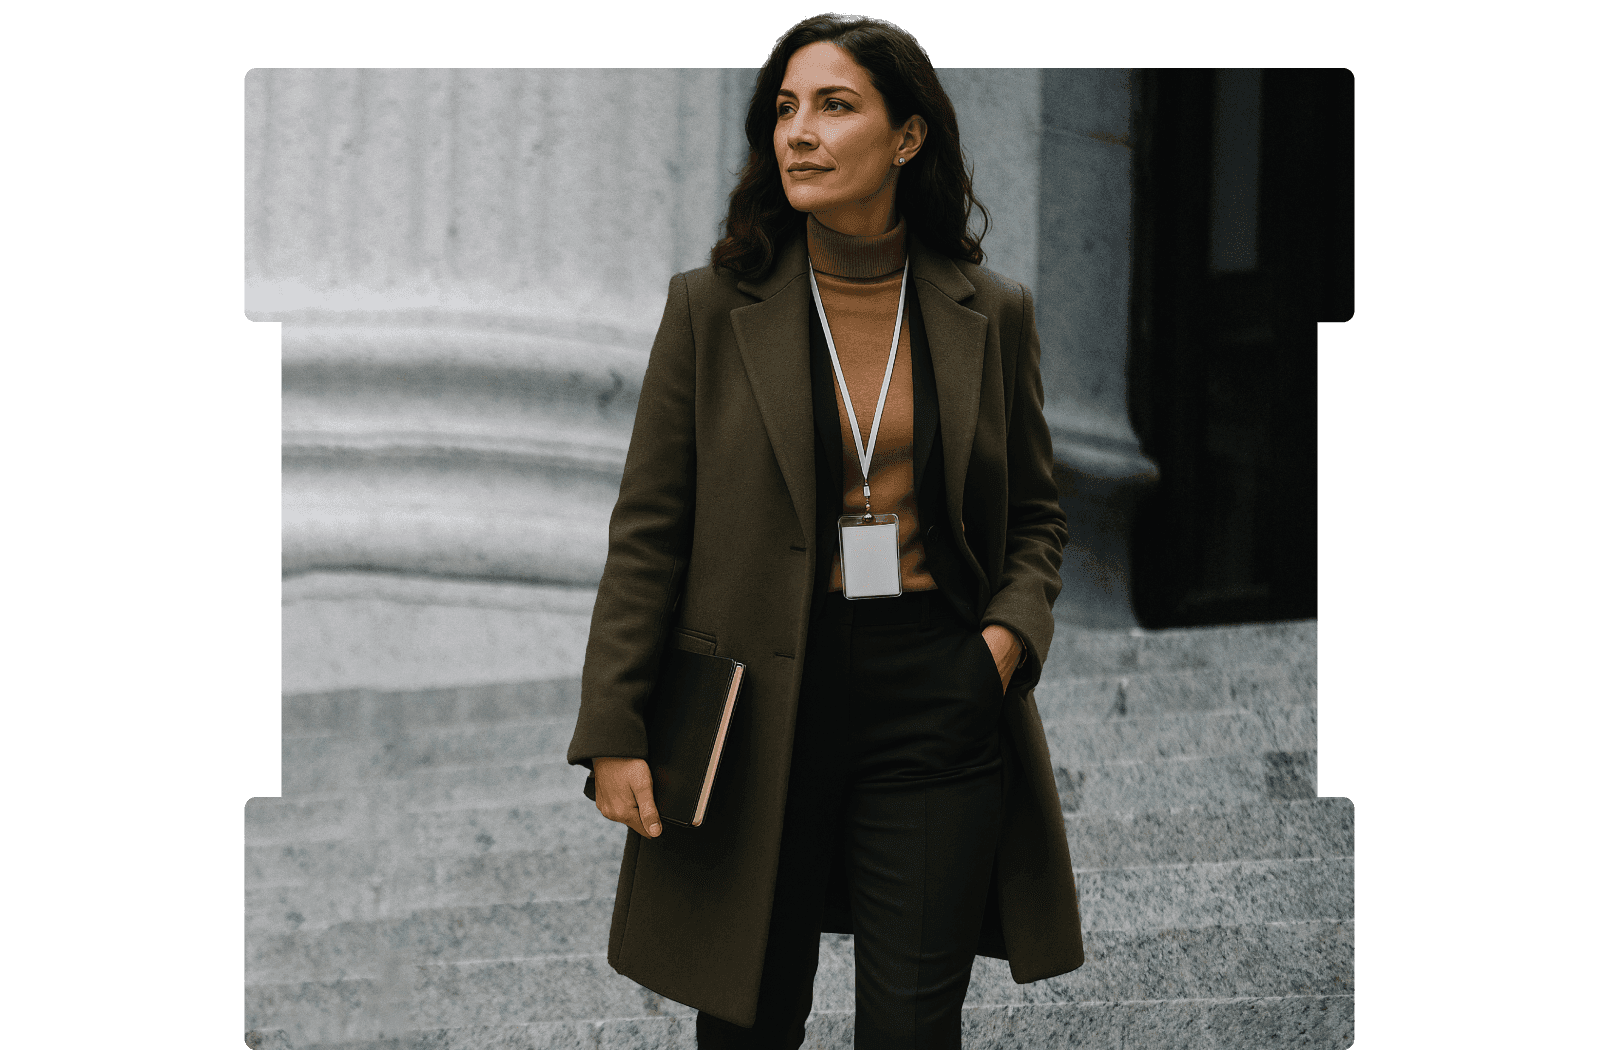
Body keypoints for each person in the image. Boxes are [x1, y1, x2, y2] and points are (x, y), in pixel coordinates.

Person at [566, 13, 1084, 1048]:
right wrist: (614, 726)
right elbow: (651, 531)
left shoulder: (992, 310)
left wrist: (1000, 645)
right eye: (785, 109)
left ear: (907, 137)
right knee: (748, 1026)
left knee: (911, 1030)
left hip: (933, 690)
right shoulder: (712, 310)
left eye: (834, 106)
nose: (798, 131)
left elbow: (1033, 517)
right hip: (753, 701)